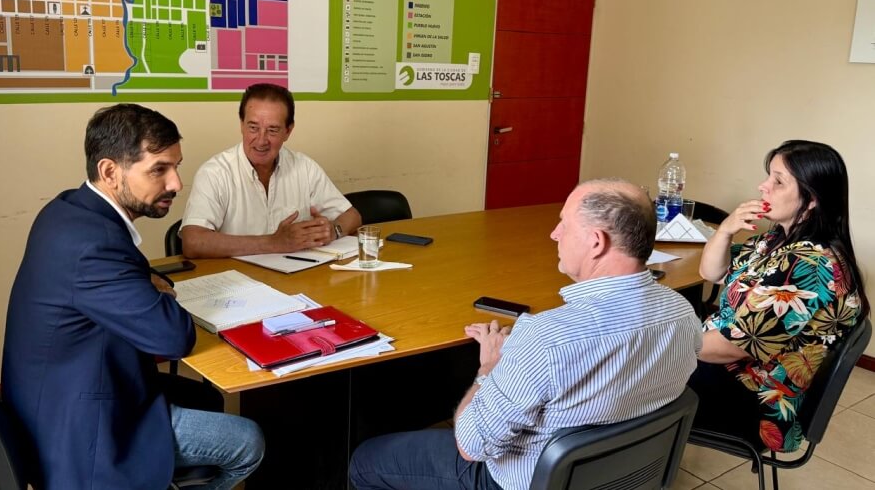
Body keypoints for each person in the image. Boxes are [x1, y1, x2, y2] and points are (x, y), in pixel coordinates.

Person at [349, 179, 702, 490]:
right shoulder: (683, 313)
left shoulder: (546, 336)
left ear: (596, 242)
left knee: (365, 460)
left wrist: (490, 368)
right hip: (621, 474)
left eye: (564, 224)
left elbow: (471, 447)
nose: (554, 234)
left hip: (519, 479)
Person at [1, 104, 265, 489]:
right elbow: (175, 338)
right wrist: (161, 296)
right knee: (248, 442)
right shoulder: (94, 244)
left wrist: (149, 284)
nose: (175, 183)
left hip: (58, 391)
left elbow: (134, 271)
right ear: (110, 171)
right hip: (82, 430)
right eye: (159, 169)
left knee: (206, 398)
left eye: (176, 166)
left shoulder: (70, 210)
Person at [690, 139, 869, 453]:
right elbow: (712, 273)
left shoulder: (809, 267)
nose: (763, 186)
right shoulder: (777, 239)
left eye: (777, 181)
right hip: (734, 372)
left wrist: (662, 344)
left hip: (757, 402)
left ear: (811, 199)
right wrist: (726, 230)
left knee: (634, 375)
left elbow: (728, 349)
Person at [180, 83, 362, 258]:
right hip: (237, 282)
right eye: (253, 128)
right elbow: (193, 242)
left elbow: (352, 216)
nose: (261, 140)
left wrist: (333, 231)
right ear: (241, 125)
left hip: (295, 277)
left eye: (272, 130)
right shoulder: (215, 173)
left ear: (288, 131)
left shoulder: (304, 167)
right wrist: (274, 243)